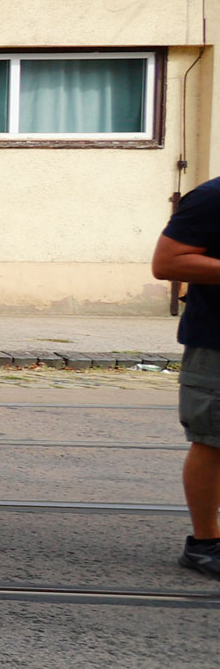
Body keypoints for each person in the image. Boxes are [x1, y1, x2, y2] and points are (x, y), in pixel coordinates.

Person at [147, 188, 220, 579]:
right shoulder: (213, 197)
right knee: (213, 440)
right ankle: (205, 544)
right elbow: (167, 262)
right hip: (217, 341)